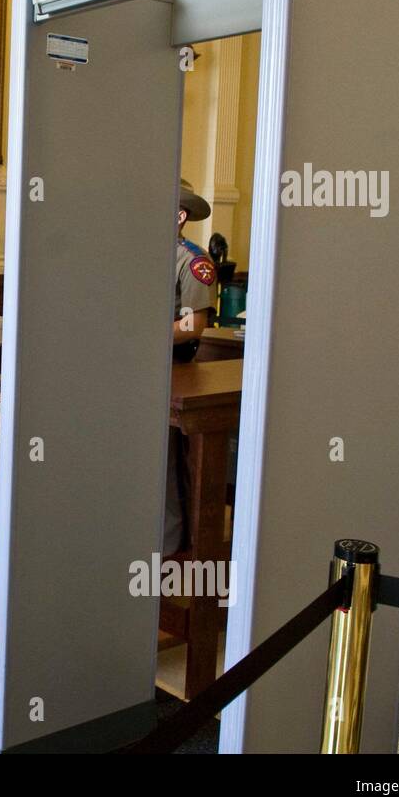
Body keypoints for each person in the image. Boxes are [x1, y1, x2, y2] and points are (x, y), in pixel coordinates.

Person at [164, 183, 217, 555]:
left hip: (172, 368)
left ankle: (171, 547)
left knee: (166, 462)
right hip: (133, 369)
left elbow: (192, 325)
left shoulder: (192, 260)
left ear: (180, 216)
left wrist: (142, 337)